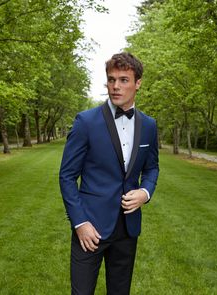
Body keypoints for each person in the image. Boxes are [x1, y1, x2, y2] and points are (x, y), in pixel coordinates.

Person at [59, 52, 159, 295]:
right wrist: (80, 223)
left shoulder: (149, 125)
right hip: (90, 228)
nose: (115, 86)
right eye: (111, 79)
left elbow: (152, 167)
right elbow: (67, 176)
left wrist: (145, 192)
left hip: (128, 228)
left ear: (138, 83)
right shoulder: (86, 122)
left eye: (124, 80)